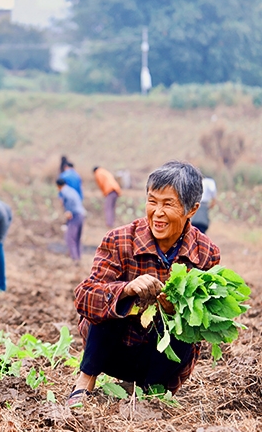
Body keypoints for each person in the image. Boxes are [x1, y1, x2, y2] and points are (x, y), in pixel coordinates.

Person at [68, 161, 220, 406]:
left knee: (187, 320)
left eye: (168, 204)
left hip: (159, 361)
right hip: (112, 350)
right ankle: (86, 379)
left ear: (191, 210)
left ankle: (151, 392)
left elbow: (211, 323)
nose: (157, 212)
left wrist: (178, 309)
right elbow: (84, 297)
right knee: (112, 299)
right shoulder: (120, 240)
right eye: (152, 201)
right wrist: (126, 290)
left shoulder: (205, 253)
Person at [56, 178, 86, 262]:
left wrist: (68, 211)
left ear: (58, 186)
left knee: (70, 238)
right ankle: (78, 257)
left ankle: (74, 259)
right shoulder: (72, 190)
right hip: (81, 214)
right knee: (77, 238)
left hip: (74, 215)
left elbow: (67, 202)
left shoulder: (64, 192)